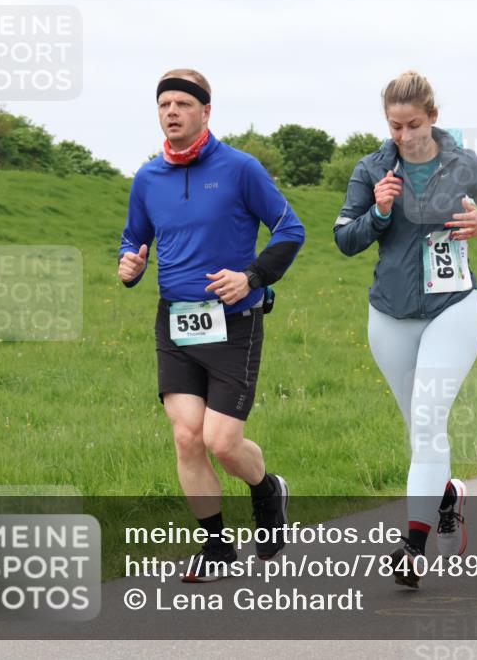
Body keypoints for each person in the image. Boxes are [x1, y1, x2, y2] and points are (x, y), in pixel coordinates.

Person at [118, 69, 305, 581]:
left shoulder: (240, 169)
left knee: (222, 442)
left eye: (182, 103)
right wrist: (129, 266)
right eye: (164, 104)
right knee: (186, 437)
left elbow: (291, 228)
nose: (171, 112)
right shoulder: (148, 178)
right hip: (176, 324)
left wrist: (253, 277)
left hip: (233, 323)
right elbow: (132, 239)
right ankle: (218, 549)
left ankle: (268, 490)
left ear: (205, 111)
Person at [333, 71, 477, 587]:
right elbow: (345, 237)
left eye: (413, 124)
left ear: (433, 117)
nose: (404, 135)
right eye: (394, 126)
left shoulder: (460, 162)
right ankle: (448, 495)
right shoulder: (372, 168)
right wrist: (380, 210)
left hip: (453, 307)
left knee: (429, 419)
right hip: (390, 314)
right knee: (419, 432)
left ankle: (411, 547)